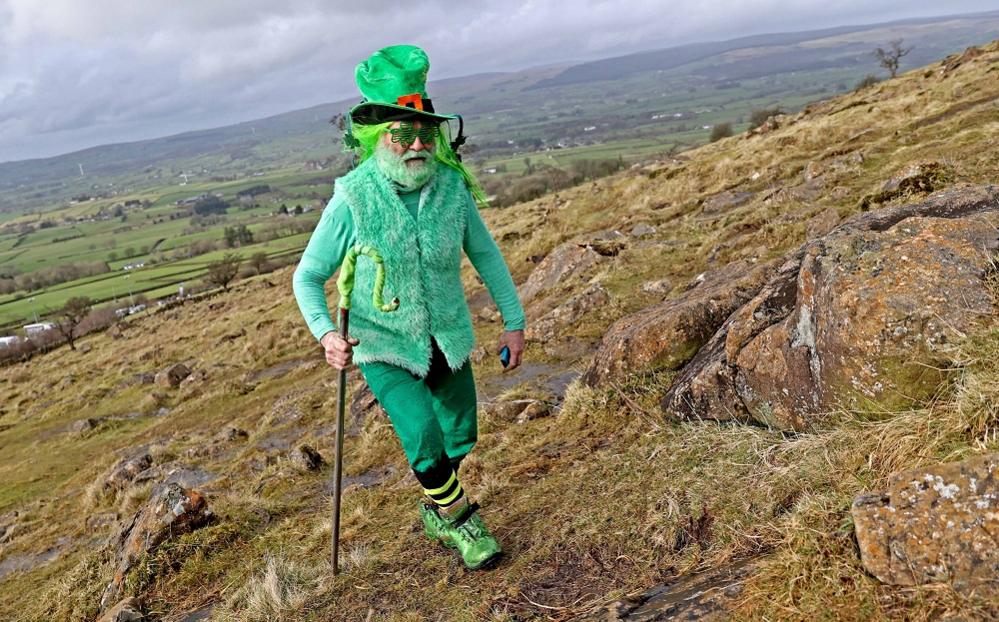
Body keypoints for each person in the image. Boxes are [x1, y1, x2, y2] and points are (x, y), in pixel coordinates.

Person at [292, 44, 526, 570]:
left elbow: (486, 256)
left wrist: (514, 323)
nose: (417, 143)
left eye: (426, 132)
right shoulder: (352, 199)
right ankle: (465, 525)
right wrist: (327, 334)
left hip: (448, 334)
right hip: (382, 345)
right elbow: (307, 276)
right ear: (379, 137)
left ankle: (435, 507)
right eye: (402, 133)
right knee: (422, 434)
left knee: (461, 434)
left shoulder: (451, 189)